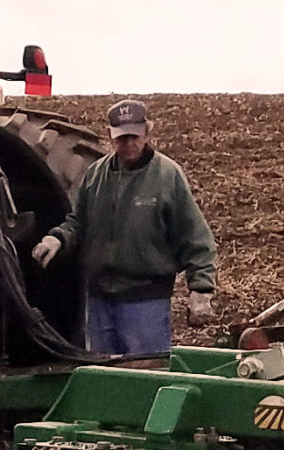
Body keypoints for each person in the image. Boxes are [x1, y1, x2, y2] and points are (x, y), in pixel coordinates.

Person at [32, 99, 216, 355]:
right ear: (110, 135)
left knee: (145, 378)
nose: (128, 144)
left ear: (147, 132)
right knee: (103, 378)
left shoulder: (166, 175)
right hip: (99, 302)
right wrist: (58, 239)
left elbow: (195, 236)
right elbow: (78, 222)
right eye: (121, 138)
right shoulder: (96, 174)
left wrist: (201, 289)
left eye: (134, 136)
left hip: (145, 301)